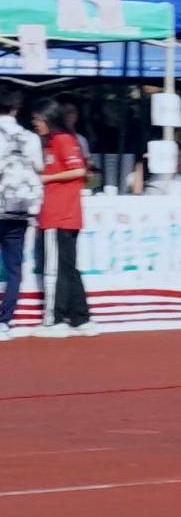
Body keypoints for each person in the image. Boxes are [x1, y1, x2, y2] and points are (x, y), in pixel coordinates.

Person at [30, 98, 97, 338]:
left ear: (49, 118)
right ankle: (80, 318)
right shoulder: (54, 142)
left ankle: (55, 319)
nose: (36, 124)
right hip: (64, 214)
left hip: (58, 214)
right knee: (68, 267)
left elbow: (78, 170)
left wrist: (46, 178)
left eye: (38, 119)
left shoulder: (62, 140)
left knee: (55, 268)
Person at [0, 86, 43, 341]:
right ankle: (4, 321)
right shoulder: (30, 138)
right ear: (16, 109)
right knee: (14, 268)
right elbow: (39, 167)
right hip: (18, 209)